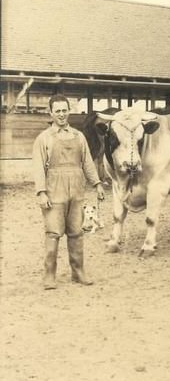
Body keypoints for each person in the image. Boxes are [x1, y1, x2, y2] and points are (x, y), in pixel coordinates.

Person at [32, 95, 105, 289]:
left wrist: (97, 183)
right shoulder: (44, 138)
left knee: (76, 232)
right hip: (54, 189)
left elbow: (88, 162)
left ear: (69, 111)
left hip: (76, 188)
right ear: (51, 113)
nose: (62, 114)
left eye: (65, 110)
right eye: (58, 111)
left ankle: (78, 272)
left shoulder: (78, 136)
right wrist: (41, 192)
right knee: (53, 232)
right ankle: (49, 275)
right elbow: (38, 167)